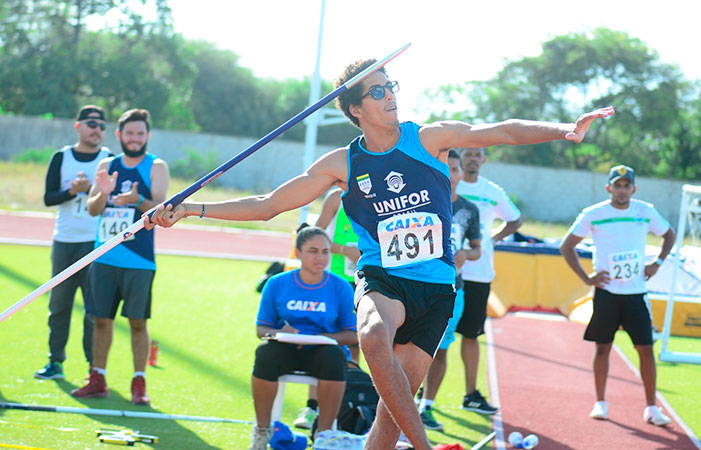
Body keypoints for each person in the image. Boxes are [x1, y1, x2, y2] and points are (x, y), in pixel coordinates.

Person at [145, 57, 613, 449]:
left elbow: (501, 132)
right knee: (371, 336)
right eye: (377, 91)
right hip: (383, 278)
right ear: (355, 109)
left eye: (391, 86)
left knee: (391, 416)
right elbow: (269, 205)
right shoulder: (343, 163)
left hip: (436, 288)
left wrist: (565, 130)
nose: (390, 95)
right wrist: (190, 208)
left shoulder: (428, 139)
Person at [559, 165, 676, 427]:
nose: (622, 190)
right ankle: (600, 403)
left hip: (636, 293)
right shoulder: (593, 214)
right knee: (603, 347)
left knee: (645, 349)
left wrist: (657, 263)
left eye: (626, 185)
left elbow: (669, 235)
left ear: (634, 188)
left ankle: (651, 408)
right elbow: (567, 246)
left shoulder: (645, 211)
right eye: (617, 185)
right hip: (607, 293)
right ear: (608, 188)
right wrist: (586, 278)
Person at [71, 109, 169, 406]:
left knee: (137, 323)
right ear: (119, 135)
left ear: (147, 136)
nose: (135, 138)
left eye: (140, 133)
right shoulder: (107, 165)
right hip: (105, 257)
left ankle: (139, 382)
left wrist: (138, 200)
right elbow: (93, 209)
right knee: (101, 320)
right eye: (129, 133)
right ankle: (97, 378)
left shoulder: (156, 166)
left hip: (139, 260)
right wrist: (104, 193)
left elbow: (163, 211)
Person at [249, 225, 359, 449]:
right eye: (313, 251)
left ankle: (325, 435)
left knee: (334, 357)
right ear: (298, 253)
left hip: (323, 353)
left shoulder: (341, 287)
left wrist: (322, 337)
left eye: (325, 251)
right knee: (265, 353)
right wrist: (280, 333)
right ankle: (262, 430)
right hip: (286, 350)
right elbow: (261, 330)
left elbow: (353, 334)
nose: (320, 257)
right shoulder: (277, 283)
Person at [35, 105, 113, 380]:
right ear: (78, 126)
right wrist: (72, 191)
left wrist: (92, 190)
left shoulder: (109, 159)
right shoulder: (62, 157)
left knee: (94, 309)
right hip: (65, 241)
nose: (97, 130)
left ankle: (94, 368)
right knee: (59, 305)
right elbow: (48, 198)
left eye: (102, 126)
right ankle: (55, 362)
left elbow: (114, 201)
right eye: (91, 124)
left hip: (96, 244)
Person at [276, 187, 363, 431]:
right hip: (335, 280)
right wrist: (346, 250)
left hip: (366, 281)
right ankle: (312, 407)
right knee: (324, 342)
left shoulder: (379, 194)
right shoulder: (336, 197)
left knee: (356, 345)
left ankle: (347, 406)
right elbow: (314, 238)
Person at [454, 146, 522, 414]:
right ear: (460, 157)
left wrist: (492, 239)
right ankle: (424, 392)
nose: (472, 159)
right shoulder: (449, 184)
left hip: (479, 273)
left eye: (477, 155)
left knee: (471, 335)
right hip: (447, 272)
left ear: (484, 159)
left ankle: (470, 394)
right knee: (436, 337)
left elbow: (515, 220)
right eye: (467, 154)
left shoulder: (492, 191)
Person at [418, 149, 481, 431]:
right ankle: (398, 402)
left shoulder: (469, 210)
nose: (450, 174)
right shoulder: (420, 203)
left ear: (461, 174)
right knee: (408, 347)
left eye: (455, 169)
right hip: (418, 286)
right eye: (444, 167)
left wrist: (465, 254)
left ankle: (426, 407)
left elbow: (477, 249)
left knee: (440, 350)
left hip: (453, 289)